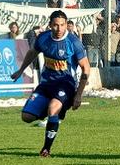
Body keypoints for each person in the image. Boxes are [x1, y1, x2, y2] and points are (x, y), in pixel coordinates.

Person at [11, 10, 91, 157]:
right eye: (55, 25)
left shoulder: (73, 42)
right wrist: (20, 70)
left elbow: (86, 67)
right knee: (26, 116)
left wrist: (78, 95)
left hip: (65, 84)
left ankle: (46, 149)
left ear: (66, 25)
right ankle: (54, 115)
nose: (59, 29)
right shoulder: (43, 38)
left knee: (53, 108)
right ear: (50, 25)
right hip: (46, 84)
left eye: (62, 25)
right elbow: (32, 53)